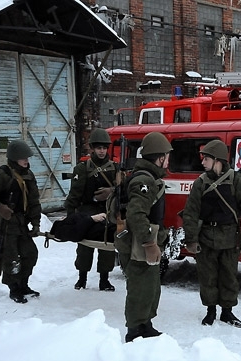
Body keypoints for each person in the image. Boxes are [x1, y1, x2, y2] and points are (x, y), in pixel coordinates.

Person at [182, 139, 241, 328]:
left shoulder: (236, 180)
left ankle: (227, 312)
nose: (202, 162)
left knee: (229, 276)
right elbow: (191, 213)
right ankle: (210, 311)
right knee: (207, 276)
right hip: (206, 236)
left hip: (230, 237)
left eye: (206, 158)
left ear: (216, 159)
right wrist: (191, 239)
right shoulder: (200, 183)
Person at [115, 131, 172, 343]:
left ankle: (145, 324)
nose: (168, 160)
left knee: (150, 286)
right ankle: (134, 331)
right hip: (139, 243)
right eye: (166, 156)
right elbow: (136, 214)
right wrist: (149, 242)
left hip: (146, 239)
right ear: (159, 158)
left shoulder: (149, 178)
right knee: (139, 287)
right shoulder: (143, 181)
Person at [0, 140, 42, 304]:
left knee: (30, 254)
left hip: (20, 222)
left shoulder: (28, 174)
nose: (26, 161)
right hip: (4, 224)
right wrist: (0, 207)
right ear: (14, 159)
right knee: (10, 257)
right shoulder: (1, 175)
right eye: (23, 158)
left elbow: (34, 201)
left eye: (27, 157)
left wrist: (35, 223)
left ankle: (23, 285)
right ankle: (14, 289)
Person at [64, 128, 117, 291]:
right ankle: (82, 278)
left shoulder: (115, 168)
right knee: (84, 247)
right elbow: (74, 194)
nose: (102, 151)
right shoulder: (83, 168)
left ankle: (104, 279)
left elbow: (123, 190)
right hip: (87, 211)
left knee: (107, 246)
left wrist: (111, 191)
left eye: (104, 148)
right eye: (98, 148)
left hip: (107, 212)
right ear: (92, 148)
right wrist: (70, 218)